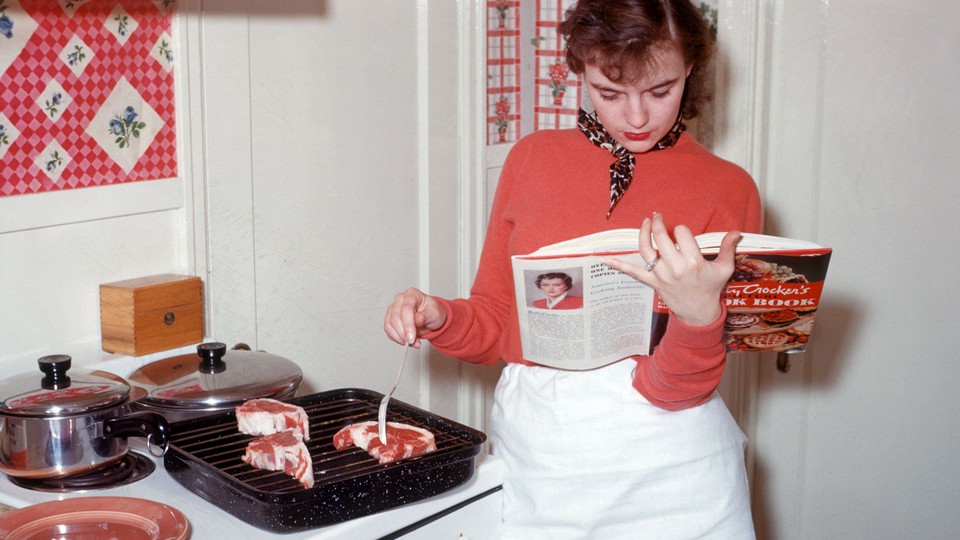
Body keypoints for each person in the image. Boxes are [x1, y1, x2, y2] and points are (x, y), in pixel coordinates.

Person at [384, 0, 761, 537]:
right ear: (579, 68)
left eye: (660, 91)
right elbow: (496, 324)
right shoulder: (531, 159)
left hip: (679, 470)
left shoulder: (729, 188)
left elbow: (678, 390)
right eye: (610, 92)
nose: (637, 117)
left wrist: (699, 318)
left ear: (691, 71)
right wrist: (438, 316)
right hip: (545, 461)